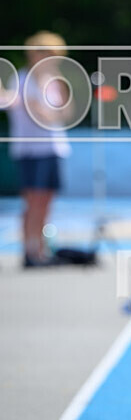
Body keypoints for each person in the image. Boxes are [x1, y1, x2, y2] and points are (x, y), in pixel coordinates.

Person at [0, 32, 71, 267]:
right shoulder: (22, 80)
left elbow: (65, 113)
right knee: (33, 201)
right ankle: (30, 251)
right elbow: (41, 114)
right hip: (31, 150)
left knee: (47, 200)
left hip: (53, 148)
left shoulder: (52, 80)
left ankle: (41, 248)